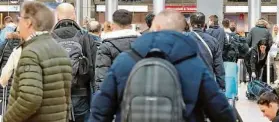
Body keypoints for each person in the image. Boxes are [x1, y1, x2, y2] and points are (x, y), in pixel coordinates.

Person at [89, 10, 236, 122]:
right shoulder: (195, 65)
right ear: (181, 31)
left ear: (156, 27)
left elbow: (100, 112)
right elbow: (221, 112)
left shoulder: (124, 61)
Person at [3, 1, 72, 122]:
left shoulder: (31, 52)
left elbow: (29, 98)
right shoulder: (60, 50)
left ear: (28, 22)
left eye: (20, 19)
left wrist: (8, 119)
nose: (18, 23)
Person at [52, 3, 97, 122]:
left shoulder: (48, 38)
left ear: (57, 17)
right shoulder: (86, 37)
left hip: (55, 97)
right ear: (74, 16)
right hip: (81, 95)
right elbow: (93, 69)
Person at [95, 9, 140, 90]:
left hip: (116, 94)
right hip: (138, 93)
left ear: (113, 24)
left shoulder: (106, 46)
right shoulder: (142, 43)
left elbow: (102, 78)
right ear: (131, 24)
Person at [187, 12, 225, 90]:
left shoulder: (183, 39)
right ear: (204, 24)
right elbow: (219, 66)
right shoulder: (213, 41)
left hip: (188, 83)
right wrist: (221, 86)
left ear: (190, 24)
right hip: (207, 83)